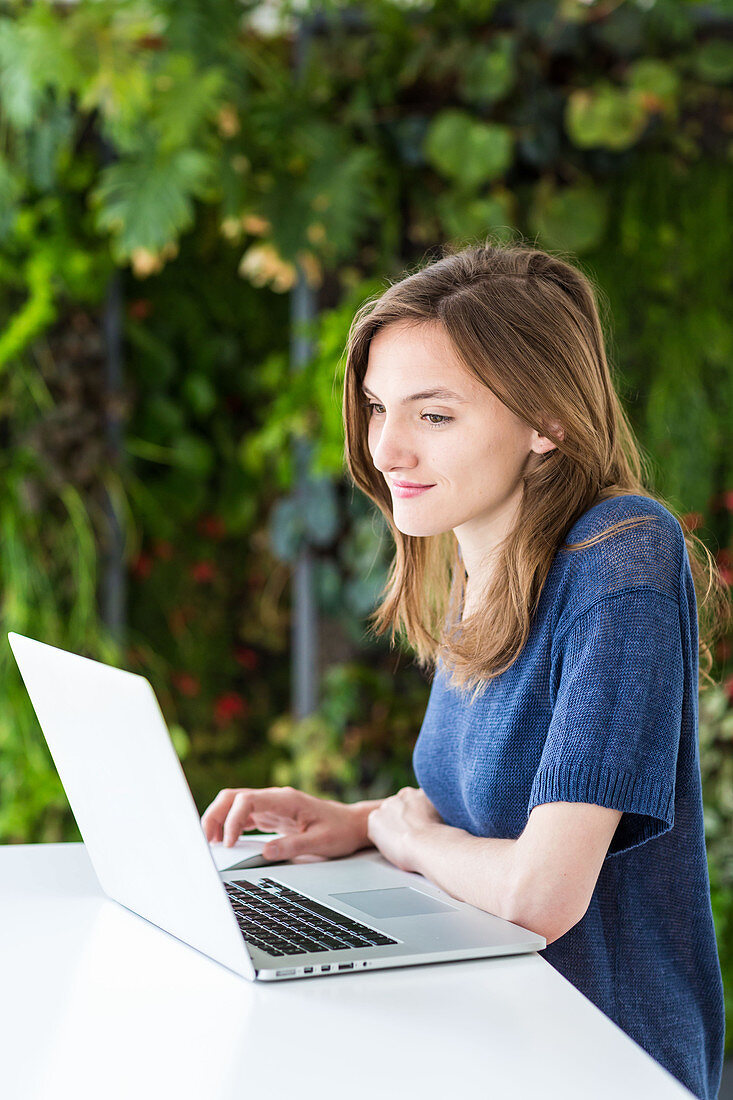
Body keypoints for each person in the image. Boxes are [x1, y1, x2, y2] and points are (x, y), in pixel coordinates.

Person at [201, 239, 729, 1100]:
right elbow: (500, 819)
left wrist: (407, 838)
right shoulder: (480, 561)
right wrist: (363, 821)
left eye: (432, 416)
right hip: (492, 1026)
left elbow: (537, 893)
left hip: (597, 1059)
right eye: (377, 408)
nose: (386, 450)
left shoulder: (621, 555)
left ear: (546, 421)